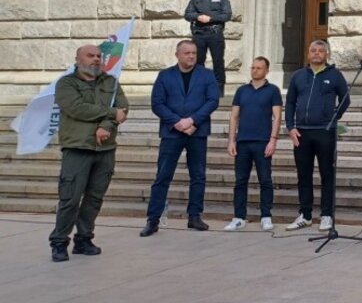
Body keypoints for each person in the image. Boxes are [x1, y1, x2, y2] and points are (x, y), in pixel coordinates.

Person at [48, 44, 129, 261]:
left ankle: (83, 239)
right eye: (90, 56)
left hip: (105, 149)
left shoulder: (110, 82)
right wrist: (111, 113)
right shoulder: (66, 84)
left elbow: (123, 108)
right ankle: (59, 241)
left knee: (94, 198)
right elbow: (76, 108)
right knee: (70, 199)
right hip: (78, 148)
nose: (95, 59)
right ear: (78, 59)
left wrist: (106, 126)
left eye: (98, 56)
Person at [141, 40, 220, 237]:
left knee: (198, 176)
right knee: (162, 176)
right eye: (187, 53)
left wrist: (193, 120)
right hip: (172, 133)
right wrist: (177, 122)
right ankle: (153, 220)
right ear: (177, 54)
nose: (191, 56)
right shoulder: (165, 75)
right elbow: (157, 103)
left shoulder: (207, 75)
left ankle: (194, 216)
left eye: (194, 53)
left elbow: (212, 100)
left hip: (197, 131)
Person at [284, 40, 350, 233]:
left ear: (327, 55)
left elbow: (345, 99)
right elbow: (289, 103)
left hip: (324, 131)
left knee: (327, 175)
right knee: (303, 175)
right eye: (313, 50)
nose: (317, 54)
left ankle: (326, 215)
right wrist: (290, 127)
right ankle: (305, 215)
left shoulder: (335, 75)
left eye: (321, 51)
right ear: (308, 53)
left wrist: (333, 118)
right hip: (301, 133)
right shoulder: (298, 76)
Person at [224, 57, 282, 232]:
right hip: (243, 141)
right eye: (253, 67)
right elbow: (234, 116)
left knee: (265, 180)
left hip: (263, 141)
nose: (255, 70)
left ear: (266, 70)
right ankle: (239, 217)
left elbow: (277, 116)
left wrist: (273, 139)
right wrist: (231, 140)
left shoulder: (273, 90)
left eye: (259, 68)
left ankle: (266, 215)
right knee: (240, 180)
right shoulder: (242, 90)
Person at [183, 0, 232, 92]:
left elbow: (227, 15)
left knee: (218, 61)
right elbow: (187, 14)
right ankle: (199, 87)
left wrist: (210, 18)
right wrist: (197, 17)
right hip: (199, 33)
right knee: (197, 61)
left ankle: (219, 89)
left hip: (215, 33)